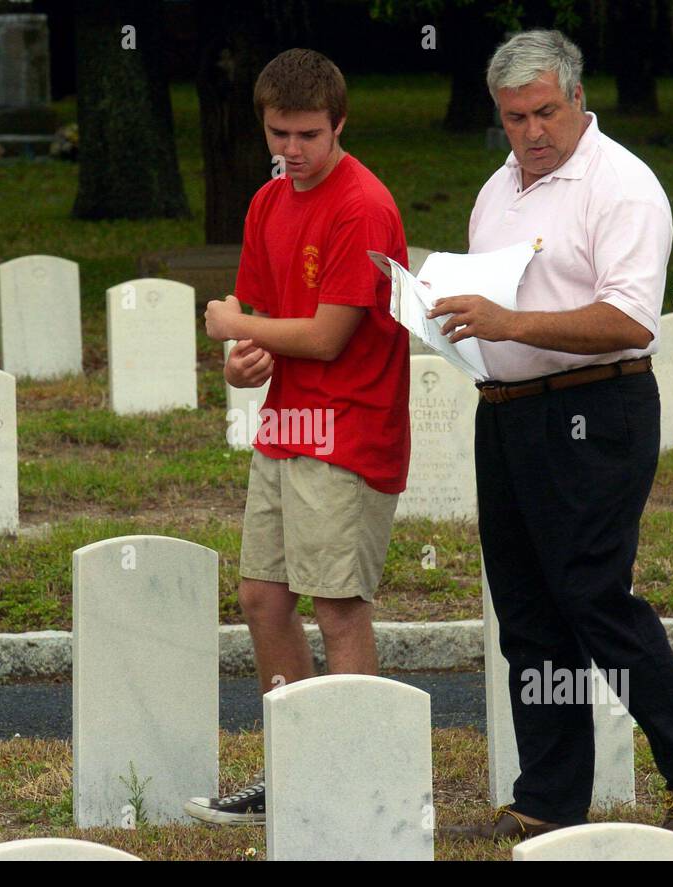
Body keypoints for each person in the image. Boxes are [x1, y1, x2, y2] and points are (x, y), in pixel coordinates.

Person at [434, 29, 673, 844]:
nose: (531, 132)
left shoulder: (622, 187)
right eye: (513, 118)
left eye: (543, 112)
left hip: (593, 410)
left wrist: (510, 321)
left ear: (576, 98)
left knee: (594, 597)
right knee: (527, 609)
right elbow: (487, 298)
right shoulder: (498, 189)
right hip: (504, 410)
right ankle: (549, 794)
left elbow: (630, 317)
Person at [184, 48, 410, 825]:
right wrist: (243, 361)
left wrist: (230, 324)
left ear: (339, 123)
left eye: (309, 134)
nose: (291, 150)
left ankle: (358, 786)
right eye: (279, 133)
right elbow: (266, 321)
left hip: (350, 430)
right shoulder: (267, 201)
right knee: (260, 597)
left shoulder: (364, 205)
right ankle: (293, 768)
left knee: (339, 605)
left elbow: (326, 336)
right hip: (287, 424)